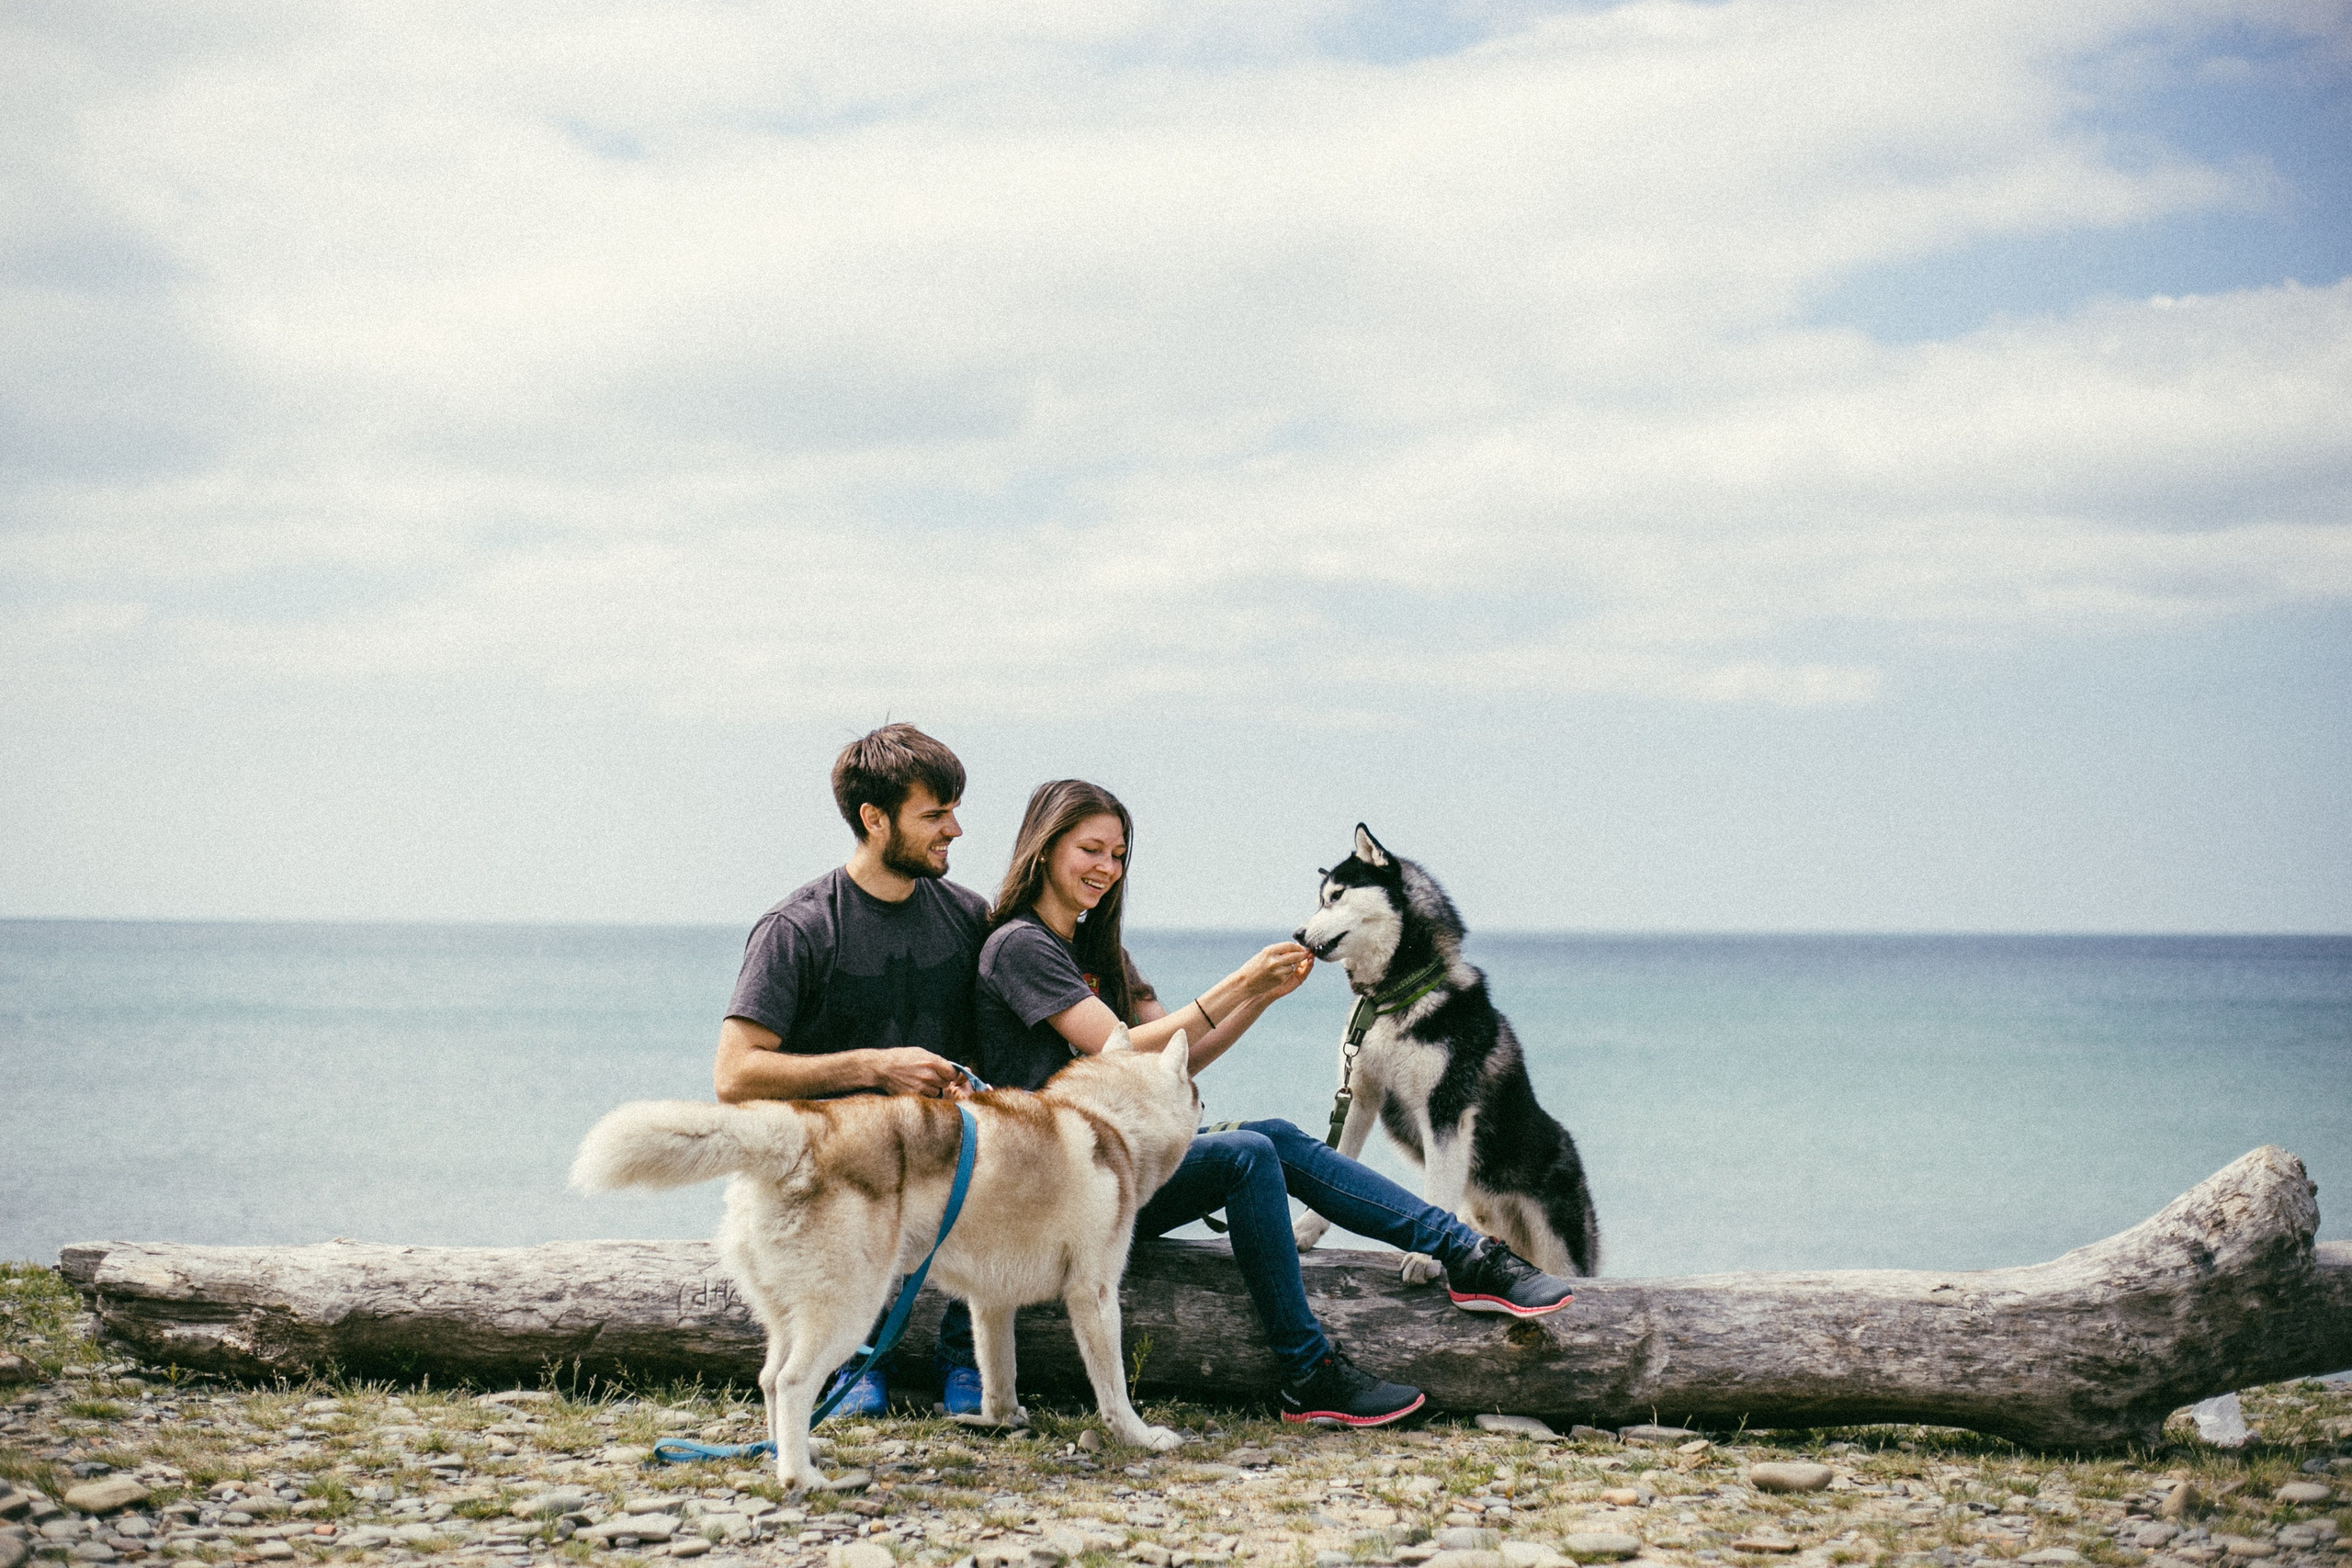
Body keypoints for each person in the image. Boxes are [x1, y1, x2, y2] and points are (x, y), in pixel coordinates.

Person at [974, 779, 1578, 1427]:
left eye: (1118, 855)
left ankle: (1464, 1253)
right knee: (1247, 1154)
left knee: (1274, 1137)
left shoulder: (1096, 952)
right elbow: (1120, 1053)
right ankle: (1307, 1368)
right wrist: (1239, 979)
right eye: (1090, 849)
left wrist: (1261, 997)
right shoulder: (1020, 946)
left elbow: (1176, 1060)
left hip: (1114, 1183)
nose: (1107, 868)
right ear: (1044, 848)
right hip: (1053, 1194)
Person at [716, 722, 989, 1416]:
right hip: (832, 1169)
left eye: (953, 810)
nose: (954, 829)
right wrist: (873, 1068)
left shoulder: (969, 918)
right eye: (935, 814)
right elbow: (735, 1074)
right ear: (874, 819)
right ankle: (853, 1358)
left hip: (942, 1165)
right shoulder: (799, 927)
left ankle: (966, 1356)